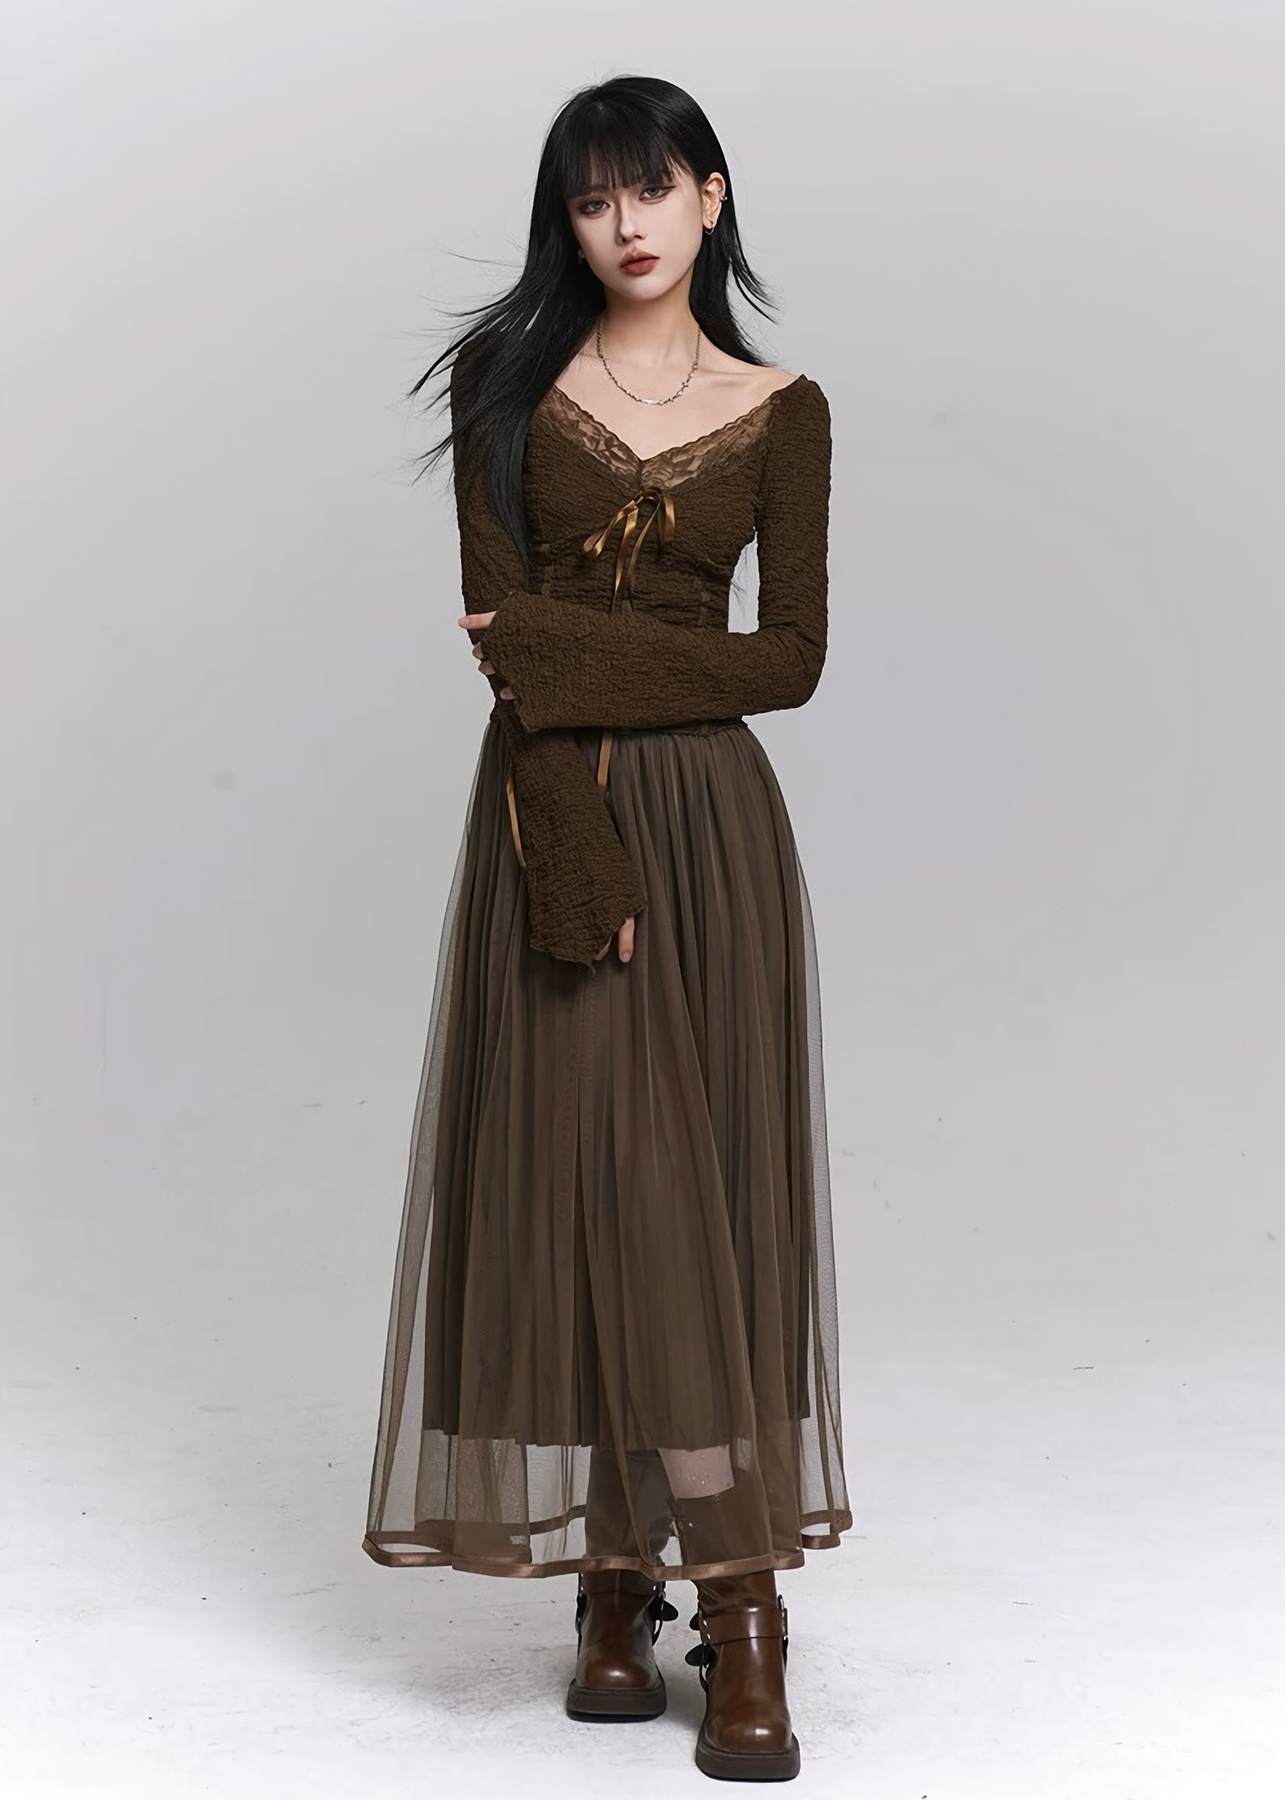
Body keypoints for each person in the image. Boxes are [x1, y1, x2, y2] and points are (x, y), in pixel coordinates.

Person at [362, 74, 853, 1782]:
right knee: (599, 1185)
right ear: (563, 221)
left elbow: (788, 662)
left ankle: (736, 1606)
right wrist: (575, 855)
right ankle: (627, 1578)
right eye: (590, 198)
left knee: (697, 1194)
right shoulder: (506, 390)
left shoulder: (784, 411)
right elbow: (506, 660)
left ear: (712, 195)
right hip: (555, 818)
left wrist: (564, 648)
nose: (625, 224)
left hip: (717, 833)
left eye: (651, 188)